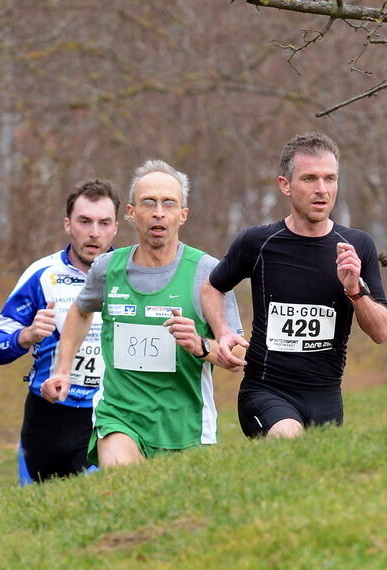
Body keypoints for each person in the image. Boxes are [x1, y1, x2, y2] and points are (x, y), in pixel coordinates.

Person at [40, 159, 244, 468]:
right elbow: (81, 311)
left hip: (186, 426)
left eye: (168, 203)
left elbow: (238, 356)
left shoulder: (208, 273)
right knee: (122, 475)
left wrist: (200, 345)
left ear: (182, 215)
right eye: (148, 202)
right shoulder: (108, 269)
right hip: (120, 416)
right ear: (132, 212)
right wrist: (63, 370)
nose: (158, 212)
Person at [202, 132, 387, 439]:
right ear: (285, 185)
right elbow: (211, 287)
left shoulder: (357, 246)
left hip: (326, 398)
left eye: (330, 179)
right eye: (309, 179)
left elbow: (382, 332)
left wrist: (355, 291)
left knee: (315, 467)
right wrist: (223, 333)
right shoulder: (258, 242)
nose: (322, 190)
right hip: (265, 391)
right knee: (289, 437)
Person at [0, 179, 120, 484]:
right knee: (35, 508)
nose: (94, 232)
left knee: (98, 500)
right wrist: (26, 336)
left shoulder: (131, 275)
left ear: (115, 228)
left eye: (104, 223)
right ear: (68, 224)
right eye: (85, 221)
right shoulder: (42, 274)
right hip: (47, 416)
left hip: (107, 413)